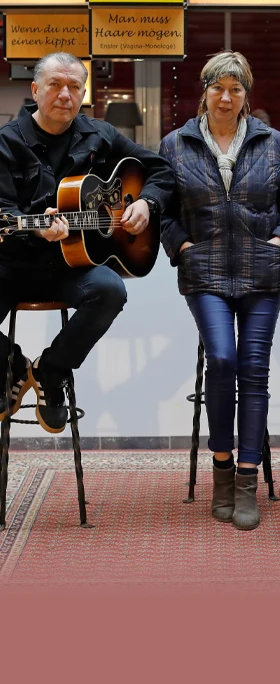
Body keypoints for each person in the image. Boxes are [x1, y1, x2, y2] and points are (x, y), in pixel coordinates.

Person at [159, 51, 280, 531]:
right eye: (218, 87)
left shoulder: (272, 142)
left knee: (254, 368)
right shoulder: (175, 144)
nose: (226, 97)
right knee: (222, 359)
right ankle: (221, 471)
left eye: (236, 88)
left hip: (262, 272)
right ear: (204, 90)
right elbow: (162, 210)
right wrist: (180, 247)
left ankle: (247, 480)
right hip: (204, 272)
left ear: (247, 94)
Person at [0, 52, 174, 434]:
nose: (65, 94)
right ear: (35, 90)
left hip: (72, 266)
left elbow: (161, 169)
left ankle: (51, 372)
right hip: (15, 265)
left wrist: (147, 202)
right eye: (55, 85)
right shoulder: (7, 143)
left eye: (74, 87)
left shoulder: (100, 134)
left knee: (110, 290)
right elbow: (3, 210)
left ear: (83, 93)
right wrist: (34, 228)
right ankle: (9, 364)